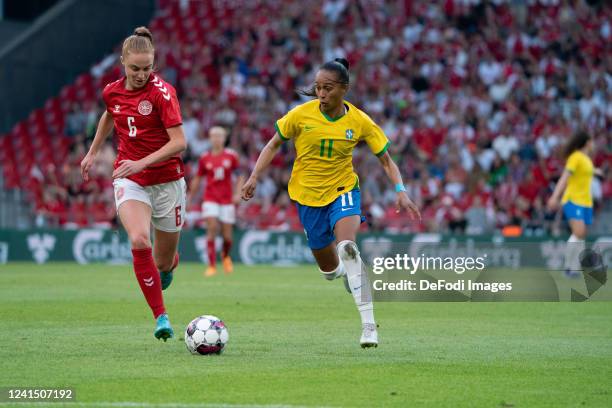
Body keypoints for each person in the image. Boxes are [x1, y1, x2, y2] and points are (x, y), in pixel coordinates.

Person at [241, 58, 420, 348]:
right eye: (318, 88)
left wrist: (401, 190)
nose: (321, 94)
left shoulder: (360, 121)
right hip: (307, 197)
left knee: (348, 248)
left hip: (343, 189)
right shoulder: (300, 115)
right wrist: (253, 177)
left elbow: (386, 160)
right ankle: (347, 272)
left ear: (344, 89)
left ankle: (369, 326)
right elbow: (273, 143)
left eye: (328, 88)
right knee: (329, 270)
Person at [81, 27, 186, 341]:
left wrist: (142, 161)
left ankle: (166, 267)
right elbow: (109, 115)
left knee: (163, 262)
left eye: (147, 68)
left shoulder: (162, 93)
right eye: (135, 68)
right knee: (140, 240)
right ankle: (161, 317)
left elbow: (179, 142)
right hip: (130, 179)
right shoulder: (112, 91)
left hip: (168, 181)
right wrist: (93, 151)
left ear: (154, 63)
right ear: (123, 63)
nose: (141, 74)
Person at [187, 126, 244, 277]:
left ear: (224, 138)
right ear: (210, 138)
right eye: (213, 136)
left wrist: (238, 193)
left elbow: (239, 176)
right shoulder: (204, 157)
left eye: (219, 136)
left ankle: (225, 257)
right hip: (210, 198)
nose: (216, 139)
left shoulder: (232, 156)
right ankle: (211, 265)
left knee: (227, 237)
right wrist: (190, 198)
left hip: (226, 200)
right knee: (211, 227)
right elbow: (198, 179)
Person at [547, 131, 600, 277]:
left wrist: (597, 172)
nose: (593, 144)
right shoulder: (575, 157)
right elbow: (565, 177)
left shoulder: (586, 159)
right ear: (587, 142)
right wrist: (555, 196)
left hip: (586, 201)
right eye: (592, 141)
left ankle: (574, 267)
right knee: (579, 232)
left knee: (581, 234)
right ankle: (569, 267)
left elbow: (585, 173)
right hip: (573, 199)